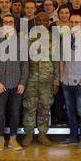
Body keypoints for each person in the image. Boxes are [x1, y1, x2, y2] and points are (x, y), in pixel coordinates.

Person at [0, 14, 29, 151]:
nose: (8, 24)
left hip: (17, 85)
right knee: (0, 112)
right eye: (5, 22)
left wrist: (22, 83)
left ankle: (13, 139)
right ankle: (0, 139)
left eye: (10, 22)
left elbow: (25, 65)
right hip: (0, 85)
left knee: (14, 112)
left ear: (15, 25)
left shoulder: (22, 43)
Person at [22, 13, 59, 147]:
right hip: (30, 79)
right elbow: (22, 61)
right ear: (35, 22)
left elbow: (56, 62)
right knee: (29, 106)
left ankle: (43, 133)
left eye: (45, 20)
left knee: (45, 105)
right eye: (39, 20)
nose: (42, 22)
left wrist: (56, 81)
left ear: (48, 23)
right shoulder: (27, 39)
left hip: (47, 79)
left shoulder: (53, 39)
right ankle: (29, 134)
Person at [60, 14, 81, 149]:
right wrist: (62, 78)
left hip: (80, 82)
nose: (74, 24)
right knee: (70, 111)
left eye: (77, 22)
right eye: (72, 22)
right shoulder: (66, 39)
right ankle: (73, 136)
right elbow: (62, 61)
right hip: (66, 82)